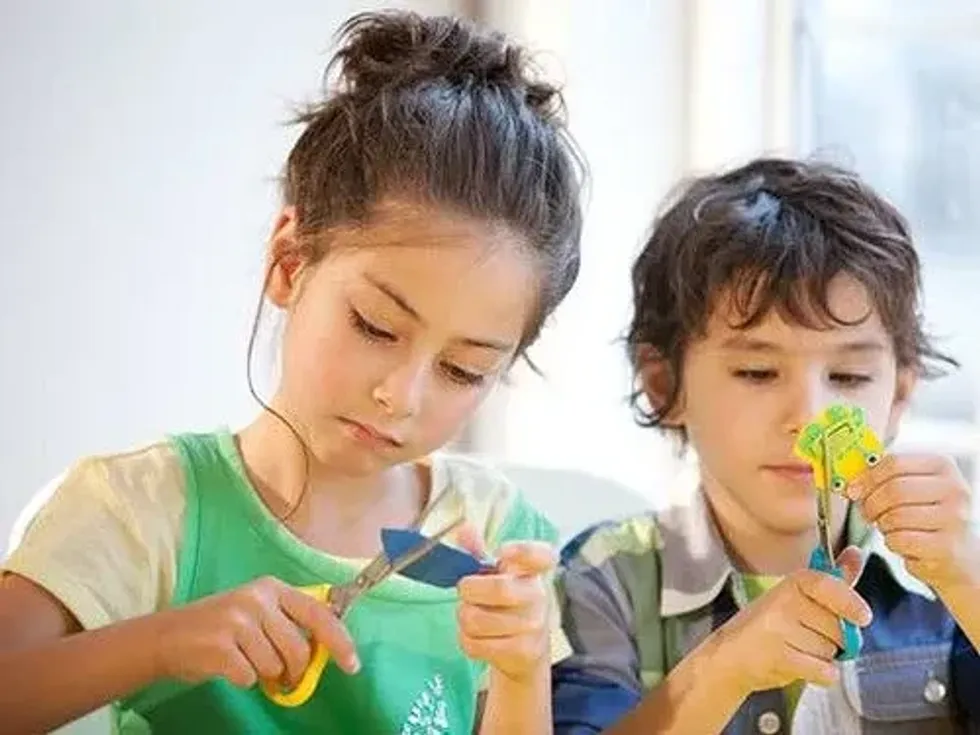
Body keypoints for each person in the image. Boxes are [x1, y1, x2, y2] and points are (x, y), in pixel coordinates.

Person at [0, 10, 585, 734]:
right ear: (289, 261)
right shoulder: (142, 512)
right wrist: (161, 643)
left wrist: (522, 669)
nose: (399, 396)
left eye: (463, 370)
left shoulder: (496, 535)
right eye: (375, 326)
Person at [551, 158, 980, 733]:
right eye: (757, 372)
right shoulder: (606, 579)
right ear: (663, 385)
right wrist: (721, 672)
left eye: (849, 379)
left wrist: (965, 579)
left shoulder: (942, 576)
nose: (808, 419)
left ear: (899, 395)